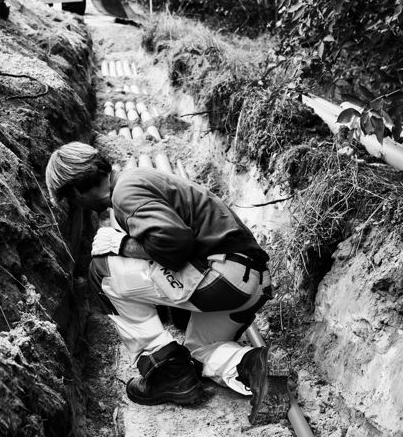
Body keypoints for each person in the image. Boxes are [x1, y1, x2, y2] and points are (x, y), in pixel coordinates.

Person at [45, 142, 275, 423]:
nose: (76, 207)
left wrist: (121, 245)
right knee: (199, 351)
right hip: (249, 281)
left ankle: (163, 366)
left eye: (71, 200)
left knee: (101, 270)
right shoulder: (137, 179)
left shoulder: (125, 192)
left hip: (224, 277)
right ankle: (256, 365)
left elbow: (175, 243)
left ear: (77, 189)